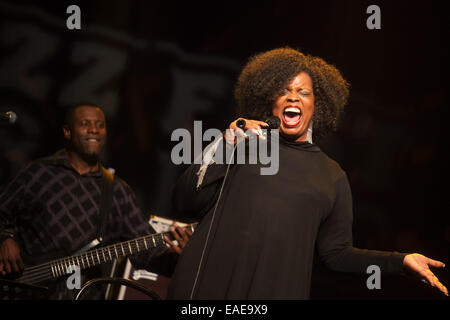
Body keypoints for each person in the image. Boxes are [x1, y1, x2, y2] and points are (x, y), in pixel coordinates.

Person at [166, 47, 448, 299]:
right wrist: (226, 142)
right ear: (270, 100)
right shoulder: (243, 144)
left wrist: (399, 262)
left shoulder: (331, 176)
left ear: (318, 105)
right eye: (284, 90)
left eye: (303, 92)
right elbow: (185, 200)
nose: (293, 97)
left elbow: (337, 255)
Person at [0, 104, 191, 299]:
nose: (94, 130)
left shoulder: (118, 191)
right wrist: (6, 238)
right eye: (85, 124)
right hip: (21, 291)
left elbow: (146, 254)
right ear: (67, 132)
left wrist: (175, 258)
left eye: (100, 125)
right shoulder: (38, 173)